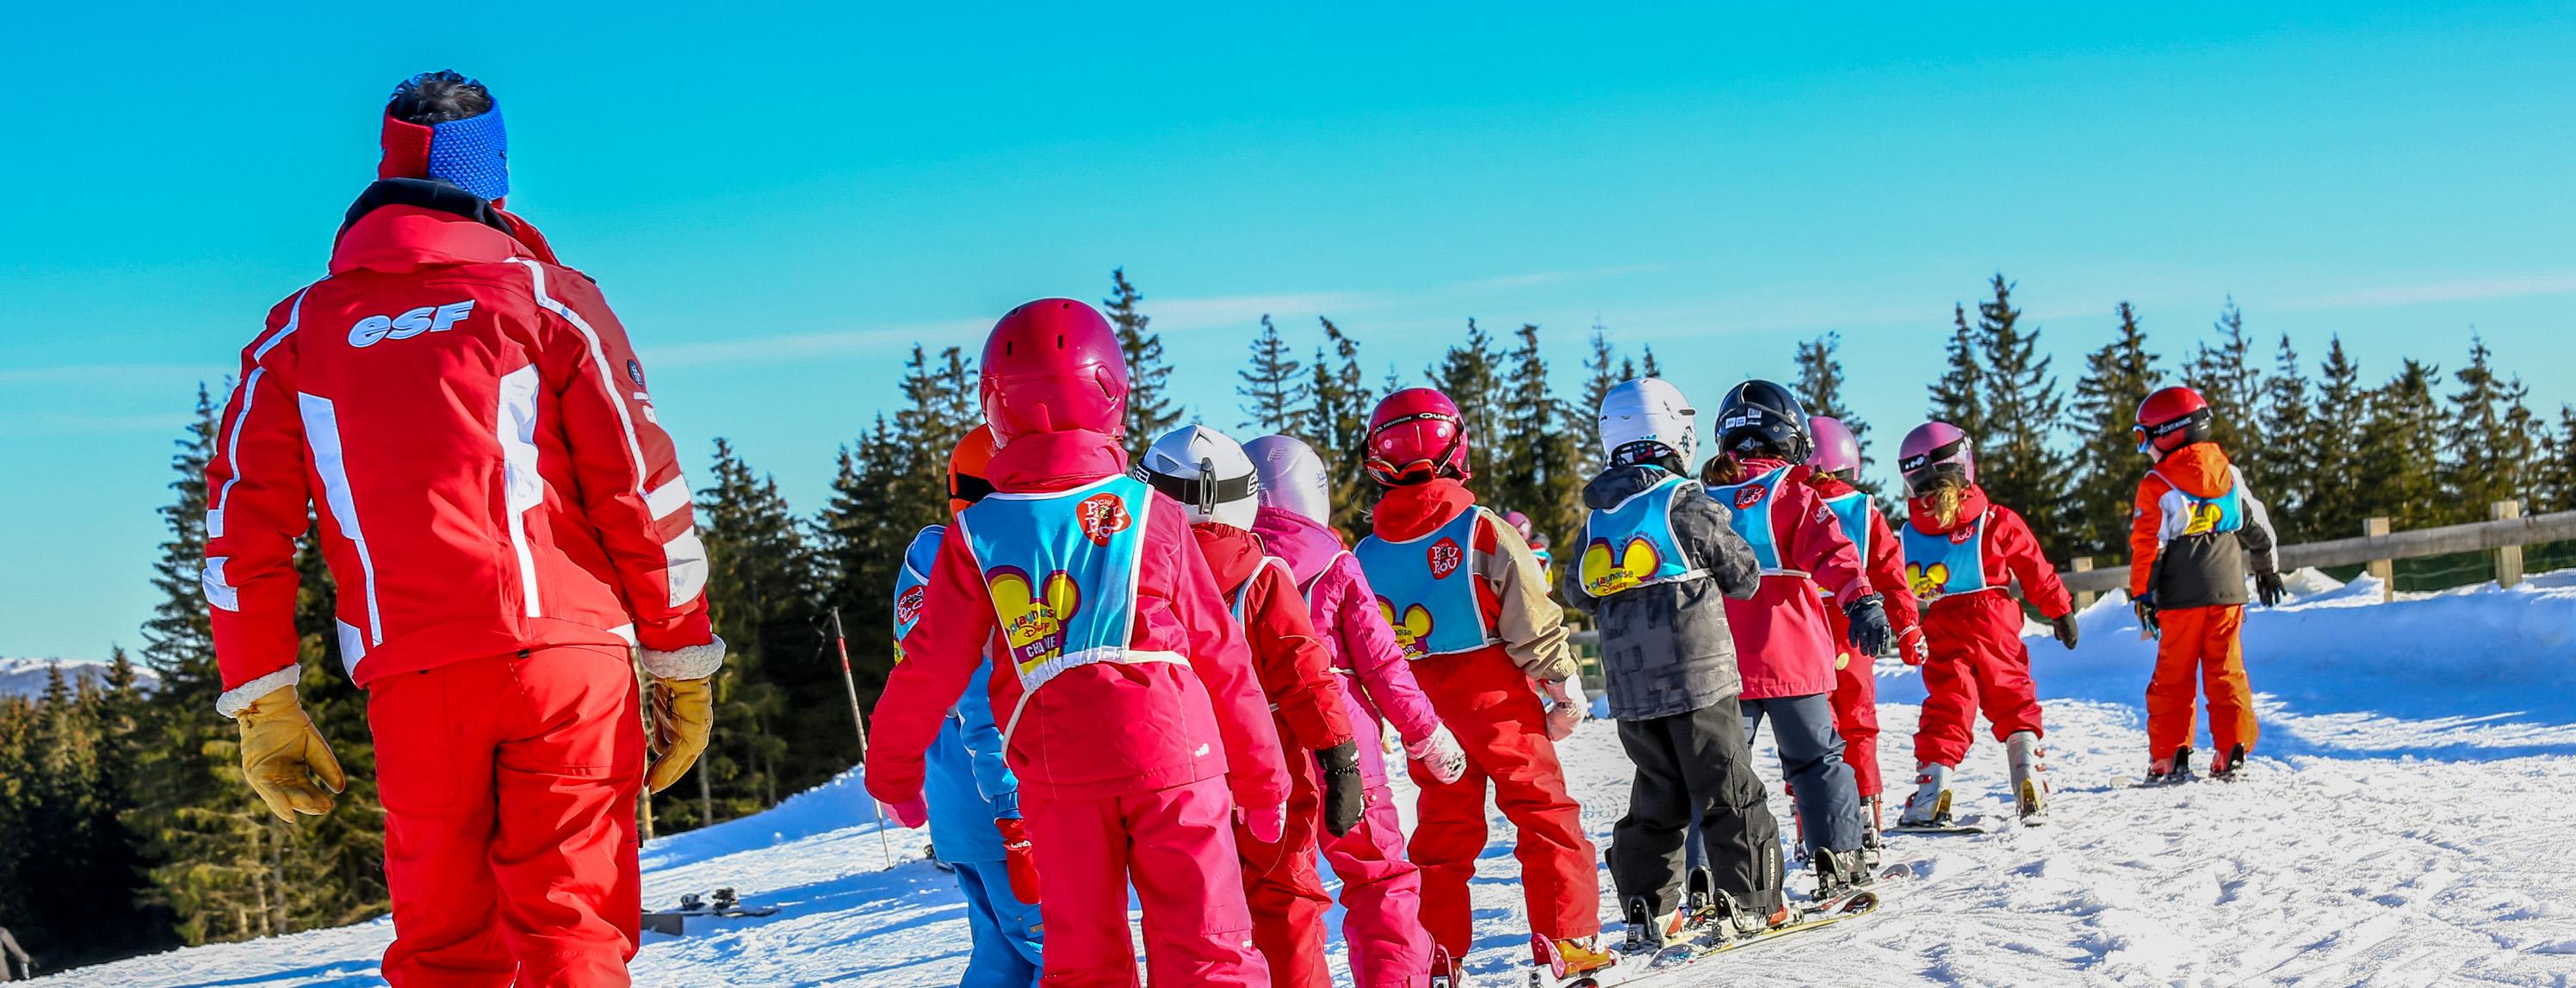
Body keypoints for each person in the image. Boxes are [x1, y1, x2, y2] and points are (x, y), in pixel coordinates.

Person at [204, 71, 721, 987]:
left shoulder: (297, 334)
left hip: (416, 678)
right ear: (495, 182)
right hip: (567, 661)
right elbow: (640, 490)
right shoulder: (548, 302)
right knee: (573, 935)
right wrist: (680, 659)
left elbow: (240, 519)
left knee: (446, 953)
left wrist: (265, 697)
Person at [864, 299, 1291, 987]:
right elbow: (1221, 653)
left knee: (1085, 964)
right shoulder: (1153, 512)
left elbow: (929, 669)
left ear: (993, 404)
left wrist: (893, 774)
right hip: (1177, 756)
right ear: (1112, 393)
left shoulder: (977, 535)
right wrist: (1262, 779)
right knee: (1209, 954)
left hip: (1059, 772)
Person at [1353, 388, 1608, 982]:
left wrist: (1376, 713)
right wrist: (1562, 685)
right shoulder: (1479, 529)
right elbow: (1528, 609)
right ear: (1456, 447)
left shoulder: (1365, 554)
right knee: (1545, 814)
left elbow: (1360, 643)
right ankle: (1566, 941)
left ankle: (1438, 955)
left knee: (1442, 833)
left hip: (1424, 709)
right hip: (1495, 697)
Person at [1137, 424, 1365, 988]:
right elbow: (1306, 674)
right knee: (1285, 903)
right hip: (1272, 765)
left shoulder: (1135, 577)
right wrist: (1341, 760)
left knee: (1192, 919)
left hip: (1172, 772)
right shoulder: (1262, 576)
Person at [1559, 379, 1782, 950]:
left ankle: (1647, 908)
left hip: (1633, 689)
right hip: (1699, 677)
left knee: (1656, 794)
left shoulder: (1598, 519)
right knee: (1727, 787)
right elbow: (1744, 576)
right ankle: (1754, 900)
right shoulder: (1685, 503)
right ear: (1672, 430)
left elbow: (1577, 591)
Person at [1245, 433, 1466, 988]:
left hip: (1261, 743)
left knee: (1283, 888)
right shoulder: (1333, 561)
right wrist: (1427, 735)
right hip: (1343, 740)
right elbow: (1382, 661)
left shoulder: (1226, 565)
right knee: (1378, 876)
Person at [1694, 381, 1891, 902]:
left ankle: (1707, 876)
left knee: (1717, 772)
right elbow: (1836, 553)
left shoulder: (1699, 501)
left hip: (1720, 662)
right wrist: (1862, 601)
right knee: (1816, 761)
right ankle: (1839, 858)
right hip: (1792, 658)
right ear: (1790, 437)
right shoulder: (1793, 494)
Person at [899, 427, 1044, 988]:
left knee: (1001, 955)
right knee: (1052, 951)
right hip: (1002, 804)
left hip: (957, 799)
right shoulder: (971, 568)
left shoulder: (924, 561)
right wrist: (1015, 815)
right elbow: (984, 701)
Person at [1890, 422, 2079, 827]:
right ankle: (2028, 774)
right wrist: (2060, 609)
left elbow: (1892, 583)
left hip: (1941, 621)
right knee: (2013, 696)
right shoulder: (1995, 519)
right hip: (1995, 619)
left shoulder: (1906, 535)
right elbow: (2033, 566)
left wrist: (1899, 624)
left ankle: (1932, 791)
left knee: (1948, 704)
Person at [2127, 386, 2283, 782]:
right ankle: (2232, 751)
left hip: (2180, 598)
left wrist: (2143, 595)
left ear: (2169, 433)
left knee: (2173, 677)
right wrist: (2267, 570)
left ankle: (2170, 757)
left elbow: (2149, 546)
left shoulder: (2158, 483)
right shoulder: (2229, 475)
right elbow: (2258, 527)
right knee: (2227, 670)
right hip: (2229, 592)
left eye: (2144, 437)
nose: (2143, 448)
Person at [1801, 416, 1927, 854]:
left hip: (1800, 625)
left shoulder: (1788, 501)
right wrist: (1908, 627)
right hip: (1855, 625)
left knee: (1810, 727)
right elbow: (1892, 574)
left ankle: (1809, 820)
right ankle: (1868, 814)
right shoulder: (1862, 509)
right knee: (1858, 720)